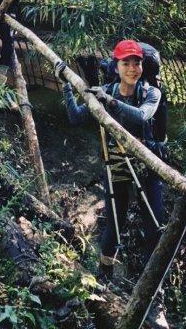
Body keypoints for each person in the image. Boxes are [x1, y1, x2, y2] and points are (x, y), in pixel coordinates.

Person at [57, 40, 168, 328]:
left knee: (154, 227)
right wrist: (67, 85)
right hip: (116, 168)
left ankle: (156, 296)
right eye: (126, 63)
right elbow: (76, 117)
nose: (132, 68)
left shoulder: (151, 92)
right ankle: (102, 280)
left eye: (137, 62)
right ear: (115, 67)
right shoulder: (105, 91)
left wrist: (111, 103)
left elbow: (142, 116)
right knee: (113, 226)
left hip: (147, 167)